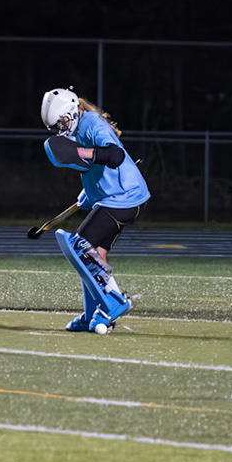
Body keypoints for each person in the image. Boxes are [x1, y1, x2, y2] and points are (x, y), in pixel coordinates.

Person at [40, 87, 150, 333]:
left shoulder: (91, 123)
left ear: (71, 111)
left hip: (124, 198)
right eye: (56, 126)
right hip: (112, 198)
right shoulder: (75, 131)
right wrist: (88, 194)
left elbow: (115, 156)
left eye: (62, 122)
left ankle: (116, 302)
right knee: (94, 254)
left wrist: (81, 152)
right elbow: (93, 169)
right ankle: (97, 314)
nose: (61, 129)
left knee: (80, 247)